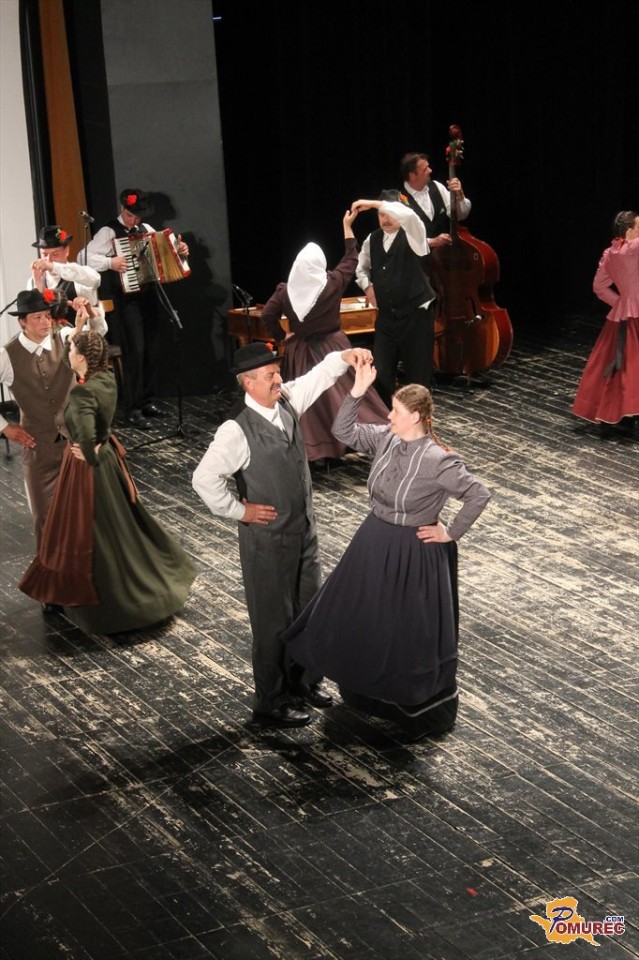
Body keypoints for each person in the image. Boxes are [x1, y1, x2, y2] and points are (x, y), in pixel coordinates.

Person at [283, 357, 491, 741]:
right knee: (355, 611)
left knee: (404, 629)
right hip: (374, 540)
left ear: (416, 417)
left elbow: (478, 494)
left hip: (414, 551)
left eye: (395, 411)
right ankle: (353, 680)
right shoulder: (386, 437)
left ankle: (406, 699)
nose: (389, 416)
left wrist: (451, 533)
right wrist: (357, 390)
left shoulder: (439, 460)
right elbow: (342, 430)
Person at [192, 341, 374, 728]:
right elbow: (204, 478)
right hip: (267, 541)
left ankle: (303, 681)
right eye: (270, 375)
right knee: (273, 622)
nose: (278, 379)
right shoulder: (236, 429)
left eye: (277, 371)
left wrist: (344, 357)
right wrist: (240, 511)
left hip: (303, 531)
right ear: (248, 382)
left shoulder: (286, 401)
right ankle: (270, 703)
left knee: (309, 609)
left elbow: (317, 377)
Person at [19, 330, 197, 635]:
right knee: (120, 527)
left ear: (81, 358)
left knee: (87, 534)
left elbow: (87, 440)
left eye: (71, 350)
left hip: (87, 469)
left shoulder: (83, 393)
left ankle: (110, 603)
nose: (68, 354)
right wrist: (100, 444)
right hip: (109, 462)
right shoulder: (107, 379)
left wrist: (87, 449)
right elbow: (99, 425)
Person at [260, 208, 388, 461]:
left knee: (307, 398)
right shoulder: (332, 283)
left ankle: (315, 448)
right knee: (345, 393)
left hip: (299, 350)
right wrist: (347, 227)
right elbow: (351, 258)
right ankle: (356, 439)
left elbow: (267, 315)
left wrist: (281, 336)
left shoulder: (285, 291)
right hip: (334, 346)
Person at [0, 289, 107, 553]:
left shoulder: (66, 337)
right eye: (37, 317)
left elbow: (98, 334)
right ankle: (51, 572)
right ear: (22, 321)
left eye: (47, 316)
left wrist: (90, 313)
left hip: (76, 442)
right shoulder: (7, 354)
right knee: (45, 517)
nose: (45, 322)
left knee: (86, 513)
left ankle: (86, 569)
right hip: (39, 447)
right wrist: (5, 427)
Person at [85, 188, 189, 429]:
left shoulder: (147, 229)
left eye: (137, 217)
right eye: (130, 215)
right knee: (136, 352)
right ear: (122, 209)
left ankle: (147, 402)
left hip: (150, 296)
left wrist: (181, 251)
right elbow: (84, 257)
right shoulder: (109, 231)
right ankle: (132, 409)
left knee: (152, 350)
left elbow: (166, 254)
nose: (134, 221)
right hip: (127, 302)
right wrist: (110, 262)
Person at [354, 193, 436, 407]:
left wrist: (374, 203)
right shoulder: (372, 239)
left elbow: (410, 216)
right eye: (381, 215)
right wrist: (367, 287)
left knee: (418, 378)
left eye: (390, 213)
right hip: (387, 319)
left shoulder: (414, 235)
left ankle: (419, 423)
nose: (386, 219)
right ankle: (385, 421)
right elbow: (360, 268)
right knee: (381, 375)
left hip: (415, 317)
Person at [572, 210, 639, 428]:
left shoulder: (610, 254)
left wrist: (621, 303)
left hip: (623, 314)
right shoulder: (635, 248)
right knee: (630, 364)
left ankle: (621, 412)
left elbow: (599, 286)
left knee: (621, 365)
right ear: (629, 231)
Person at [28, 224, 104, 325]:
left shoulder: (78, 273)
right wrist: (39, 287)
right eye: (44, 254)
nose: (49, 259)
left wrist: (53, 267)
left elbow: (96, 280)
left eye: (55, 254)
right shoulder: (33, 281)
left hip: (83, 333)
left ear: (67, 251)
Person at [399, 151, 471, 245]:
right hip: (417, 255)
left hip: (445, 252)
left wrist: (459, 196)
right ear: (412, 175)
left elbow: (461, 215)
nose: (430, 170)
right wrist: (432, 242)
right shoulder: (399, 200)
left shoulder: (437, 187)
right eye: (425, 169)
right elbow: (401, 239)